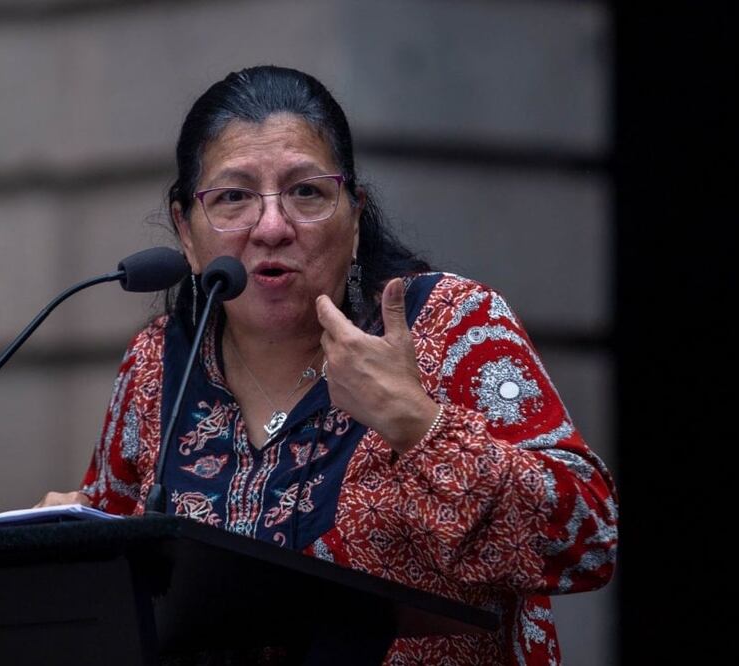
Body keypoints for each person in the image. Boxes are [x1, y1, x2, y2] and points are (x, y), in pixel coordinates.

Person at [38, 65, 618, 665]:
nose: (271, 227)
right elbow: (112, 585)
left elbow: (590, 543)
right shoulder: (159, 365)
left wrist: (419, 426)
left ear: (355, 213)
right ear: (186, 229)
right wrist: (61, 545)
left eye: (307, 192)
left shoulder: (449, 326)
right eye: (233, 197)